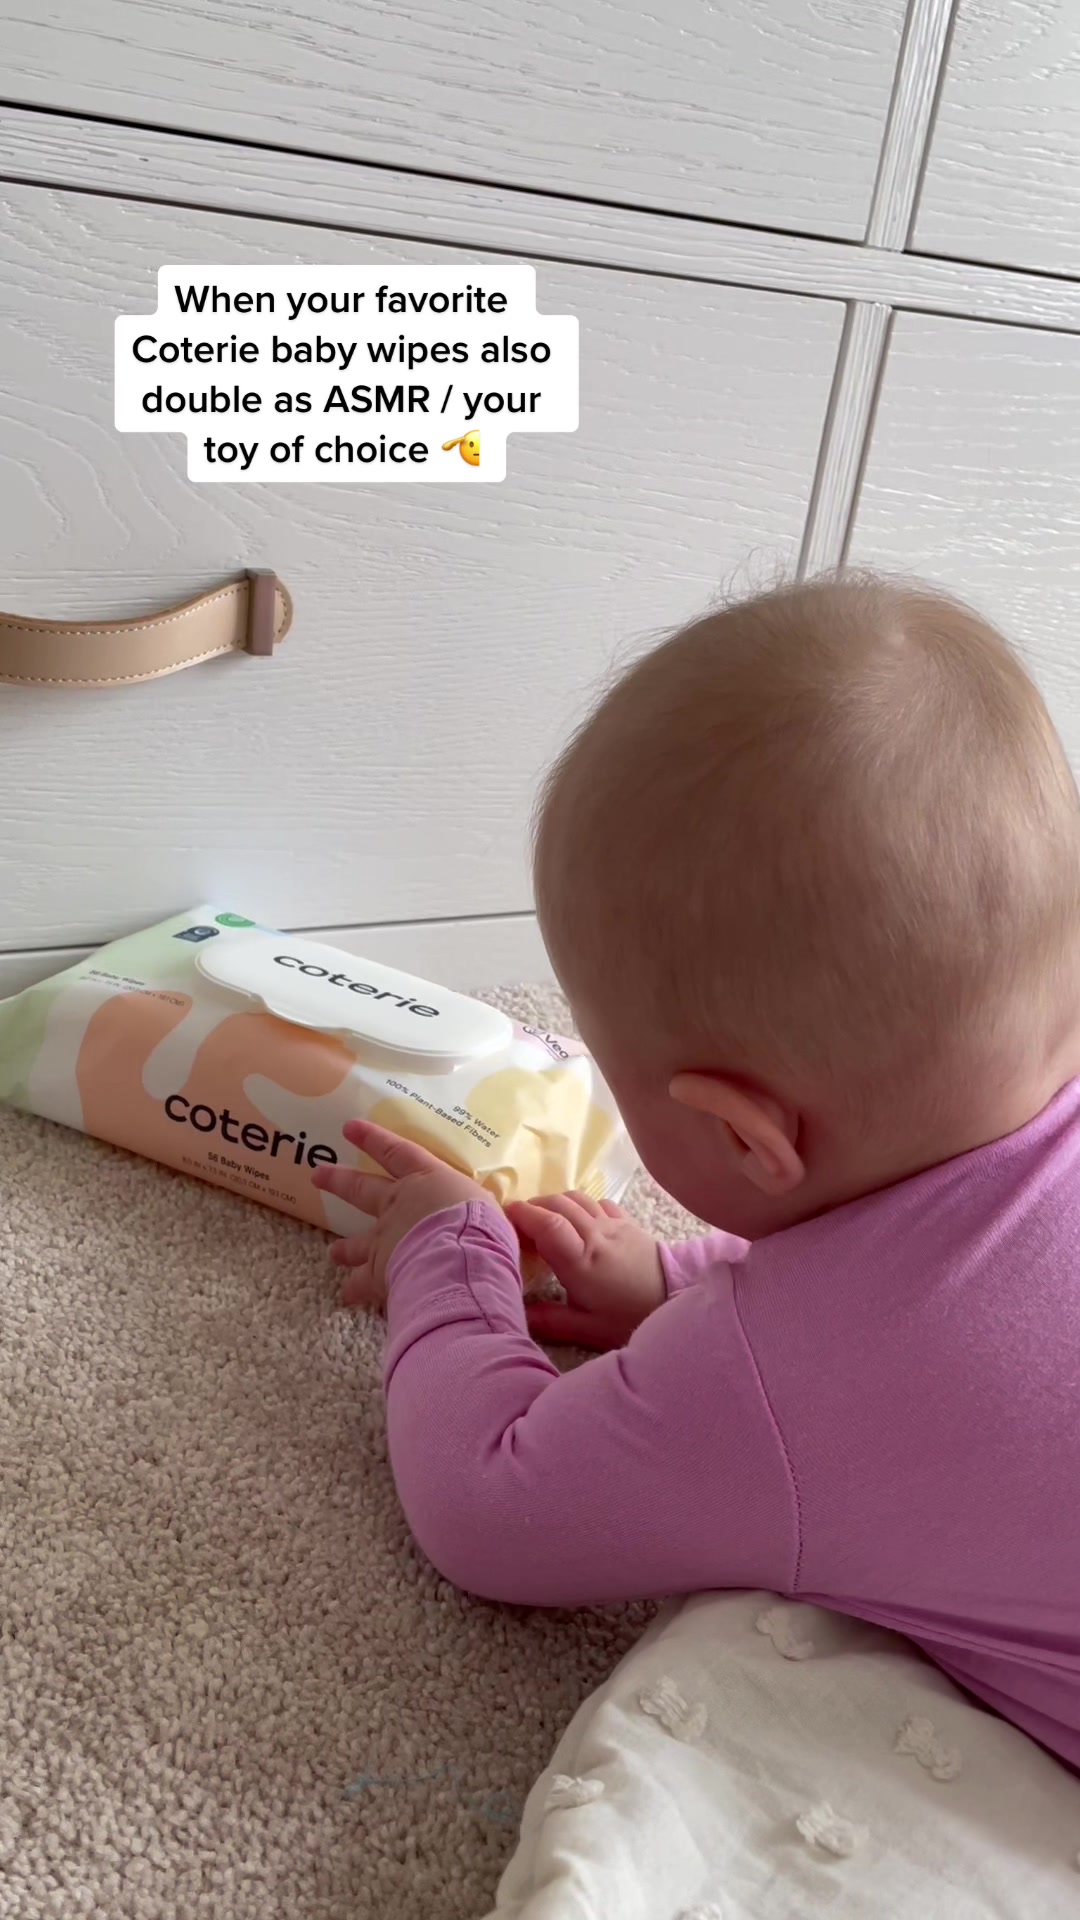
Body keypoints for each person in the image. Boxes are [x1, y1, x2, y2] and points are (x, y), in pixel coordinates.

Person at [313, 572, 1080, 1771]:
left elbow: (482, 1506)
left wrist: (445, 1256)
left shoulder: (778, 1384)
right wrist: (676, 1284)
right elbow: (961, 1260)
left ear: (742, 1138)